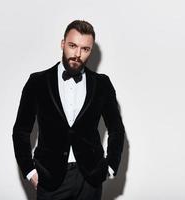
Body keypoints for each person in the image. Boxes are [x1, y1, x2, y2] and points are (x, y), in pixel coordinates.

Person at [12, 20, 125, 200]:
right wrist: (29, 171)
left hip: (89, 178)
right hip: (49, 177)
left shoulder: (102, 84)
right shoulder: (37, 82)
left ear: (90, 51)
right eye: (73, 46)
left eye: (85, 49)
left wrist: (110, 166)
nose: (77, 54)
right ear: (63, 43)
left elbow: (116, 129)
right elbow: (21, 131)